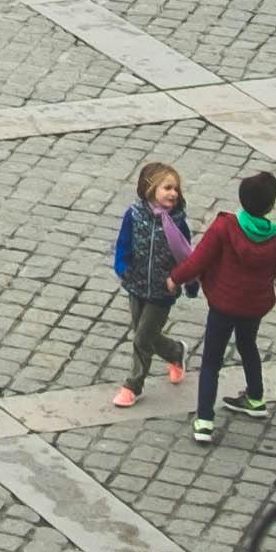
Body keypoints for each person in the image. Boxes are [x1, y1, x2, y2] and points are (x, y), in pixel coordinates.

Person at [170, 166, 276, 440]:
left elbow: (199, 260)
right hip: (254, 304)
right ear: (271, 205)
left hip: (224, 303)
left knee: (212, 359)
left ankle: (204, 420)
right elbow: (274, 271)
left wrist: (175, 278)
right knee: (248, 345)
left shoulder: (225, 226)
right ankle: (256, 398)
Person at [104, 157, 194, 410]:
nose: (173, 193)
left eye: (175, 188)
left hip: (162, 291)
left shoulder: (178, 224)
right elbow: (123, 244)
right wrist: (122, 267)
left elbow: (187, 256)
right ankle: (176, 352)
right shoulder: (133, 216)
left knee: (143, 338)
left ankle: (133, 385)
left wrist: (185, 282)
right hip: (136, 284)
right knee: (146, 334)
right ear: (149, 189)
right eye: (167, 187)